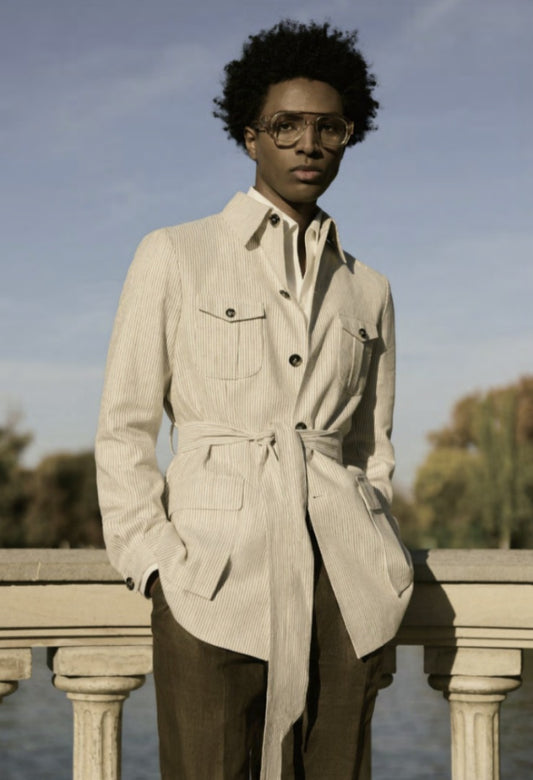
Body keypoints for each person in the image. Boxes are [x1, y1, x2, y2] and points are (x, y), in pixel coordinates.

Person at [95, 19, 413, 780]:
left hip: (347, 590)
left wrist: (382, 562)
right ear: (249, 136)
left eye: (328, 127)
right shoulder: (176, 253)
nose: (308, 144)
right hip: (214, 585)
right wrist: (157, 565)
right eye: (286, 125)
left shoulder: (368, 290)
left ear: (348, 135)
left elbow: (371, 450)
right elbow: (124, 429)